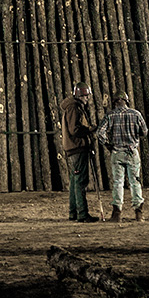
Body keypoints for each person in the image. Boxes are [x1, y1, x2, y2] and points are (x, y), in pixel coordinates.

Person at [93, 93, 148, 221]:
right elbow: (144, 132)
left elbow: (100, 133)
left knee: (118, 183)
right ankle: (139, 213)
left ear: (115, 102)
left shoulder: (110, 115)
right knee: (135, 182)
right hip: (132, 151)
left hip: (117, 152)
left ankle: (117, 213)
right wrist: (134, 134)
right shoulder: (136, 114)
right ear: (126, 101)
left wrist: (108, 145)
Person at [59, 83, 99, 222]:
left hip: (73, 148)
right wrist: (89, 130)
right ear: (81, 95)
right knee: (80, 181)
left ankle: (73, 213)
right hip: (77, 147)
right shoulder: (74, 108)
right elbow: (75, 130)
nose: (87, 98)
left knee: (75, 181)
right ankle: (82, 214)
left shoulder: (73, 107)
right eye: (86, 95)